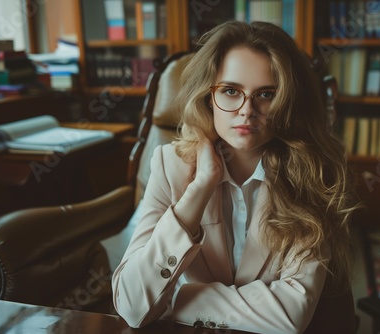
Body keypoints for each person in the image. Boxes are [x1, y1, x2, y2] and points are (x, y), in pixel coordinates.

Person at [112, 20, 359, 334]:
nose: (247, 111)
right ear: (207, 95)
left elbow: (290, 316)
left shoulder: (313, 175)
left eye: (266, 94)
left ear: (289, 102)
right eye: (231, 91)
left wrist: (173, 300)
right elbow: (131, 304)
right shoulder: (169, 165)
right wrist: (199, 189)